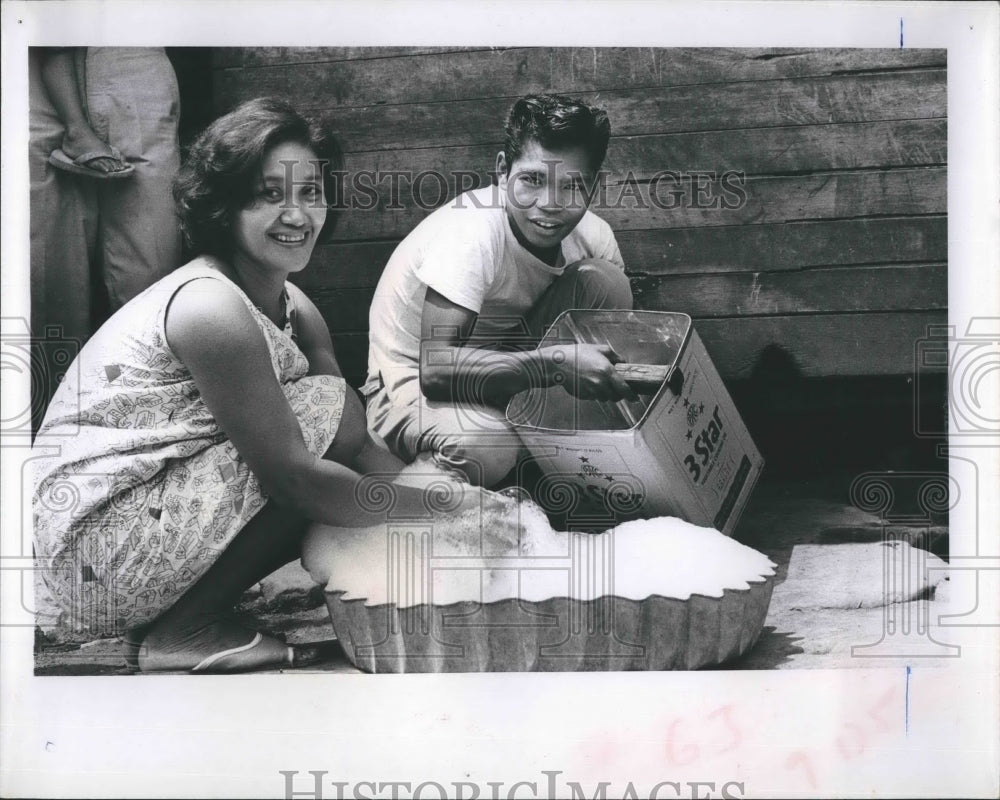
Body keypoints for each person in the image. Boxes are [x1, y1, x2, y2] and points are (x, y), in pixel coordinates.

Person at [32, 98, 494, 674]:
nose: (297, 215)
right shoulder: (209, 306)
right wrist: (434, 506)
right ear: (223, 207)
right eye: (268, 194)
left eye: (310, 193)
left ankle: (185, 616)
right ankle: (186, 630)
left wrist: (463, 510)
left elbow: (354, 441)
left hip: (148, 522)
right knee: (319, 419)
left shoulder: (295, 307)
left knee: (334, 413)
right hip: (98, 548)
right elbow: (298, 481)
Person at [365, 94, 636, 489]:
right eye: (532, 180)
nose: (549, 205)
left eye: (572, 185)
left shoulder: (595, 236)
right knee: (487, 445)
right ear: (501, 171)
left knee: (604, 282)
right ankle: (428, 495)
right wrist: (556, 364)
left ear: (593, 188)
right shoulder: (472, 231)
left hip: (508, 373)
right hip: (410, 388)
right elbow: (435, 371)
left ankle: (538, 464)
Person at [29, 47, 182, 431]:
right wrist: (76, 127)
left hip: (124, 48)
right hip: (29, 65)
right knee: (51, 289)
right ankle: (53, 442)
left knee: (153, 274)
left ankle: (148, 431)